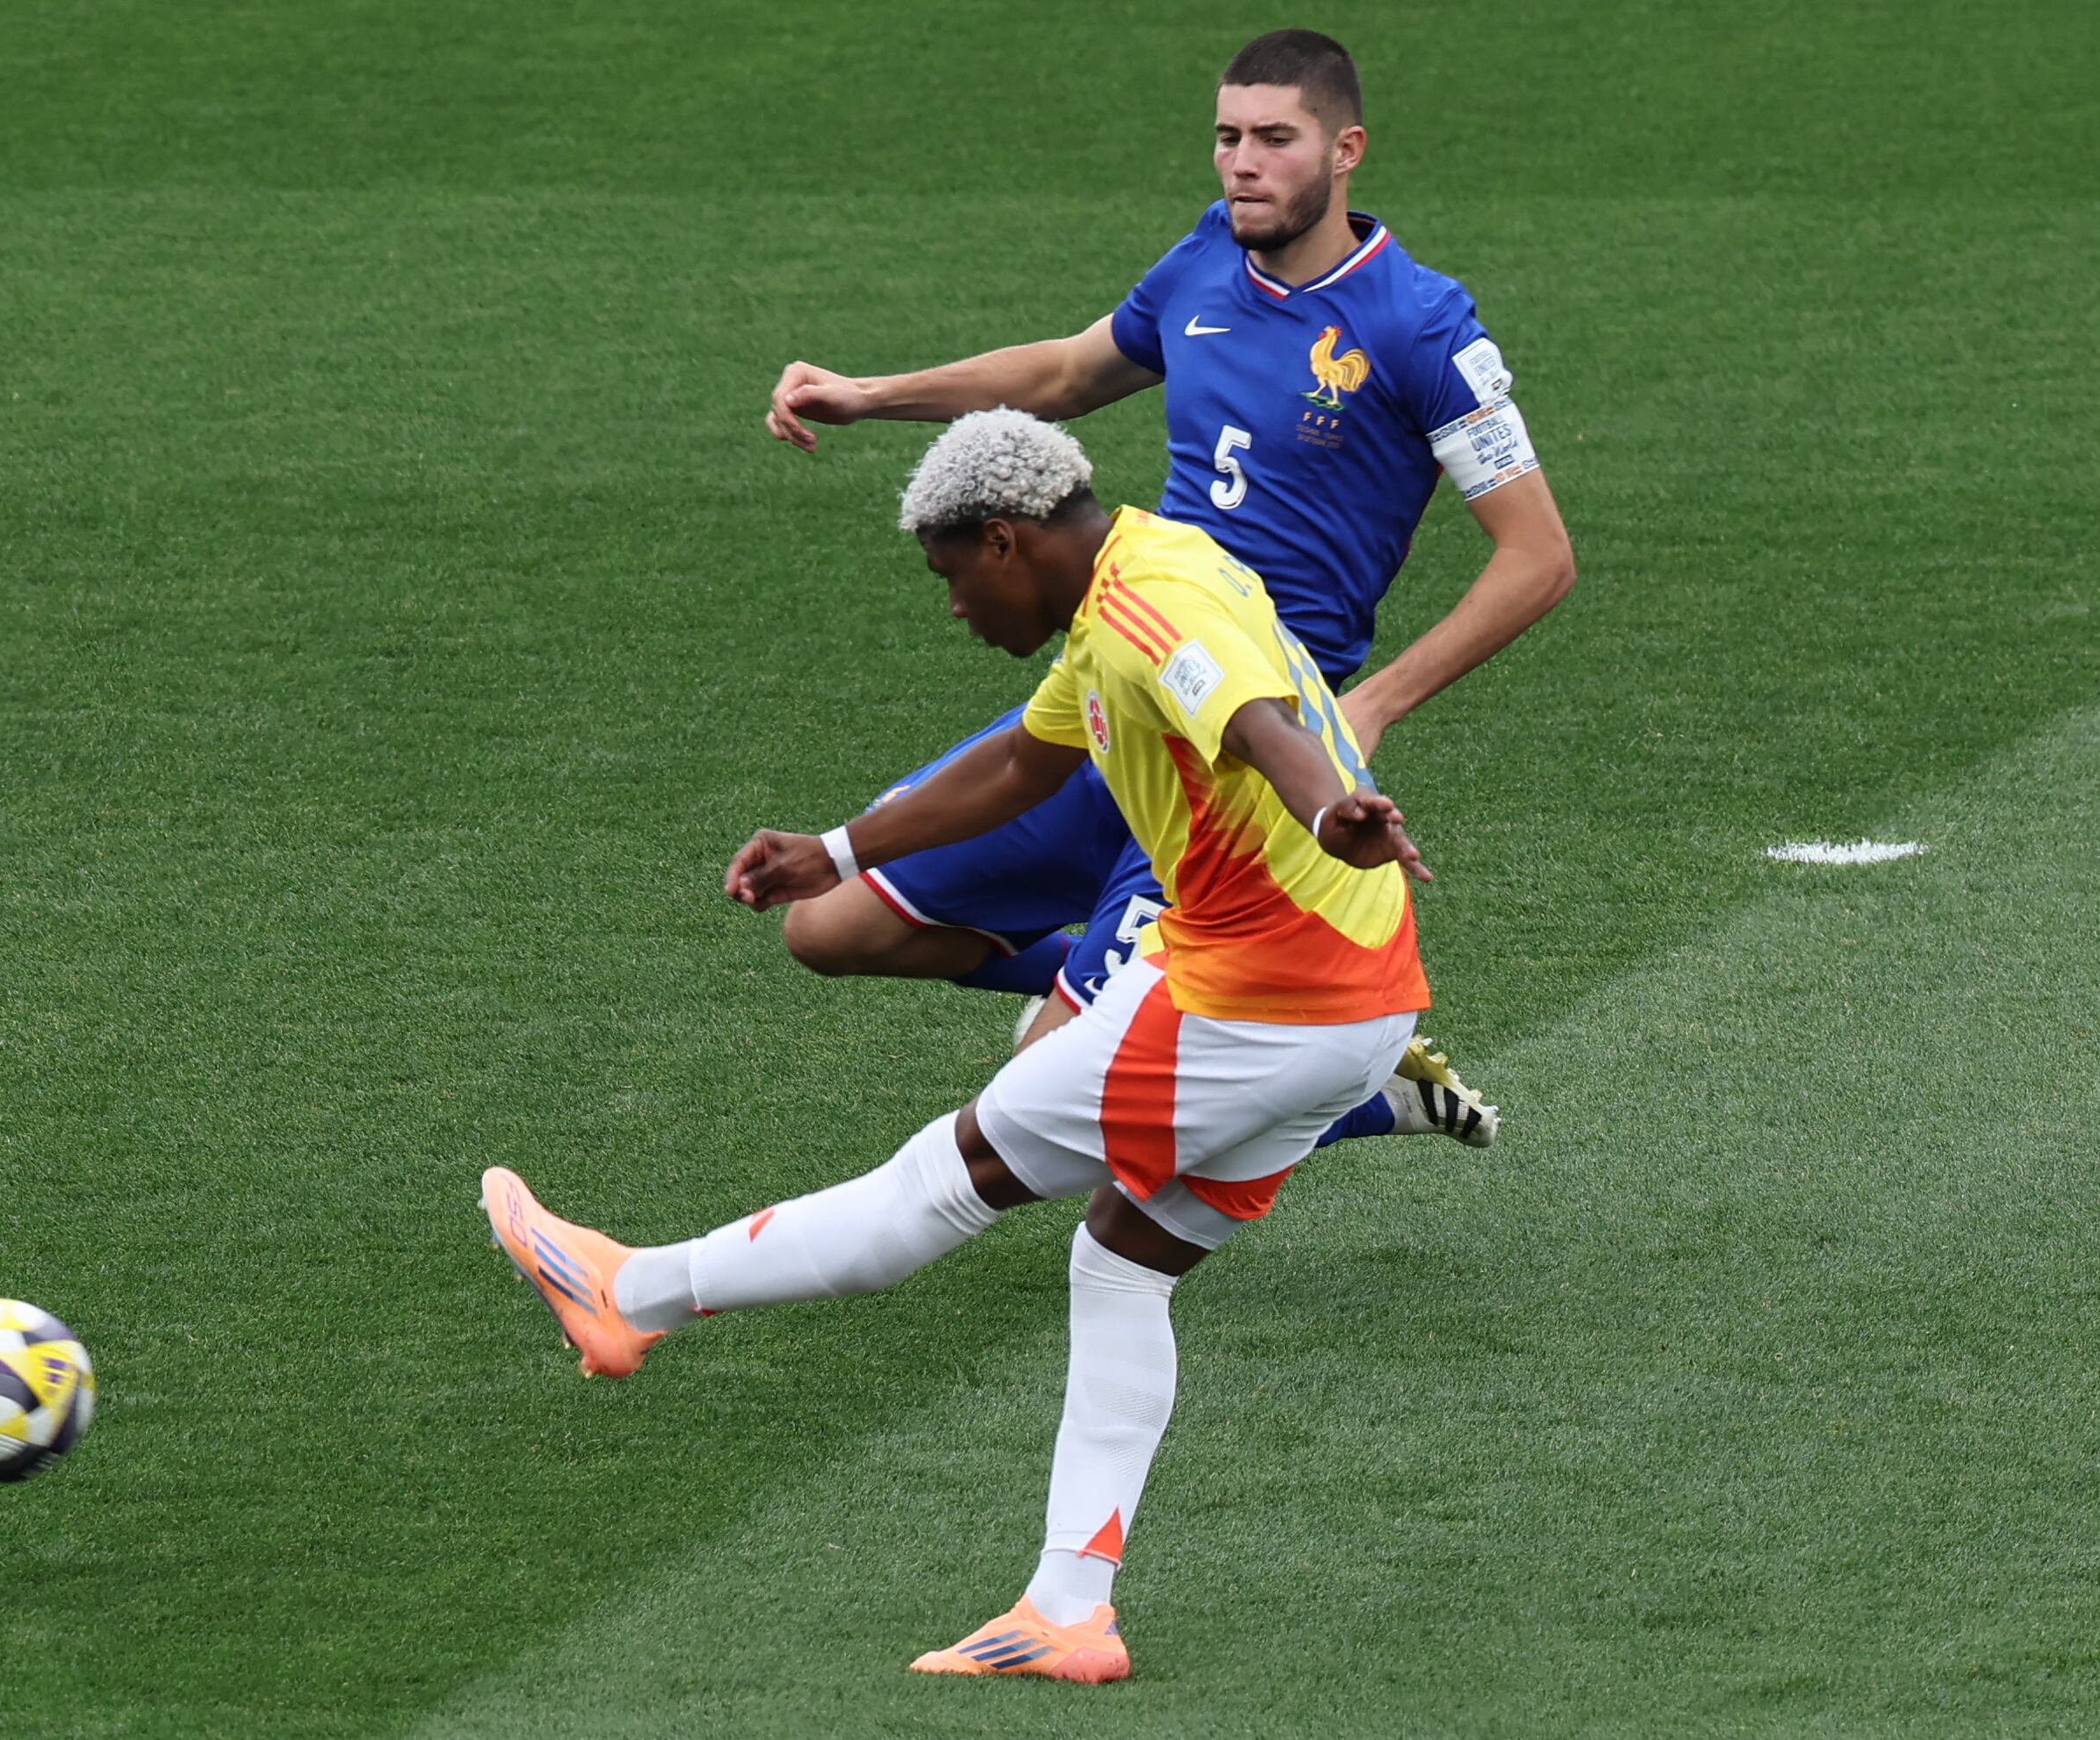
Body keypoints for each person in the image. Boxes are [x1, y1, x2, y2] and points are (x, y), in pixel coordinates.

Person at [485, 412, 1436, 1681]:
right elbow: (1019, 767)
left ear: (1006, 540)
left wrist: (1331, 805)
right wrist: (837, 851)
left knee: (945, 1177)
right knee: (1121, 1265)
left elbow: (1259, 714)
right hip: (1358, 1002)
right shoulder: (1134, 578)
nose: (950, 607)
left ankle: (630, 1296)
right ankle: (1068, 1613)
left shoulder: (1152, 609)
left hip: (1256, 996)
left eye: (950, 577)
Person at [761, 28, 1575, 1146]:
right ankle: (1184, 1004)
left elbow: (1538, 556)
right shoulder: (1204, 260)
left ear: (1346, 151)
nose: (1242, 163)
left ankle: (1329, 1079)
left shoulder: (1419, 323)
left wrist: (1372, 705)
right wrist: (870, 393)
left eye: (1275, 140)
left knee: (1038, 1102)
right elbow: (1062, 373)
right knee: (828, 927)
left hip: (1244, 736)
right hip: (1118, 676)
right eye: (1227, 137)